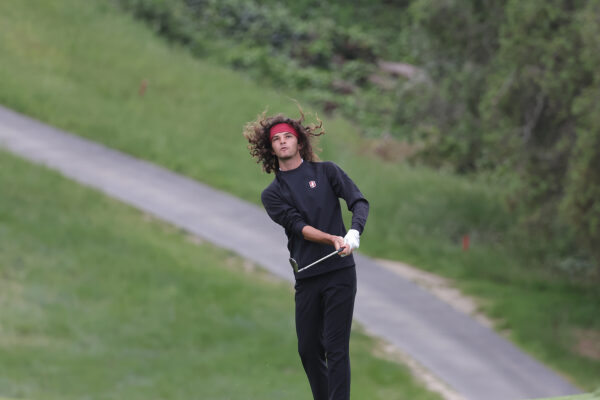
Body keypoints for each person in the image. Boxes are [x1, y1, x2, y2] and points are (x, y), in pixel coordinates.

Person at [243, 110, 369, 400]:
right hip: (308, 275)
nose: (283, 142)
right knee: (308, 349)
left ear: (299, 142)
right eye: (276, 139)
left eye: (288, 136)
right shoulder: (272, 193)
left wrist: (354, 233)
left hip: (340, 273)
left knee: (336, 348)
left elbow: (359, 202)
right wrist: (331, 238)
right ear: (270, 148)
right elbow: (298, 227)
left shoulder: (327, 172)